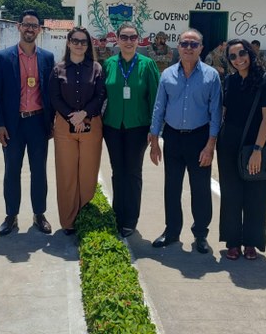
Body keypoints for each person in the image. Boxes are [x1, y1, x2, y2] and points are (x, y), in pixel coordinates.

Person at [148, 28, 222, 254]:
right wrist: (154, 141)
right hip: (172, 138)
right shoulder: (167, 74)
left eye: (194, 44)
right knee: (172, 187)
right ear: (178, 47)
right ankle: (171, 232)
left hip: (199, 139)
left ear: (201, 48)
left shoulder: (211, 76)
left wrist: (210, 145)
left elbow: (215, 112)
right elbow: (159, 107)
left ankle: (200, 235)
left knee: (200, 189)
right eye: (184, 43)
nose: (188, 48)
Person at [0, 9, 55, 236]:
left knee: (39, 171)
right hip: (12, 125)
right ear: (19, 27)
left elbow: (50, 92)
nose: (30, 29)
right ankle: (11, 216)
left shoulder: (47, 58)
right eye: (26, 25)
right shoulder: (2, 57)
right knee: (12, 171)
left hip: (38, 122)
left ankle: (39, 214)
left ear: (39, 30)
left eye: (34, 25)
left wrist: (52, 122)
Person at [217, 39, 266, 260]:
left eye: (242, 53)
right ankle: (233, 242)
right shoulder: (229, 81)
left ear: (250, 53)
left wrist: (257, 149)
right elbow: (223, 111)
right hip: (229, 144)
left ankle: (251, 242)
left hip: (257, 142)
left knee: (256, 194)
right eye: (232, 56)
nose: (238, 59)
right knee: (231, 193)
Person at [102, 22, 160, 238]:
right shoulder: (108, 64)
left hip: (138, 128)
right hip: (113, 127)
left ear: (139, 40)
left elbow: (156, 100)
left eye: (132, 37)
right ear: (117, 40)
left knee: (133, 173)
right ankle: (118, 216)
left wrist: (154, 132)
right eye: (124, 37)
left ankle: (130, 219)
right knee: (118, 172)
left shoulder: (147, 65)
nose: (128, 41)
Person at [49, 27, 106, 235]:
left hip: (91, 123)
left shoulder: (97, 68)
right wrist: (72, 116)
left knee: (88, 172)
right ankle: (68, 221)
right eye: (76, 40)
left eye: (83, 41)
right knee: (66, 173)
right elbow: (54, 97)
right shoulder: (58, 69)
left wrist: (84, 114)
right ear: (69, 42)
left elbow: (101, 95)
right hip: (65, 125)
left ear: (88, 45)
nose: (79, 44)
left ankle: (84, 214)